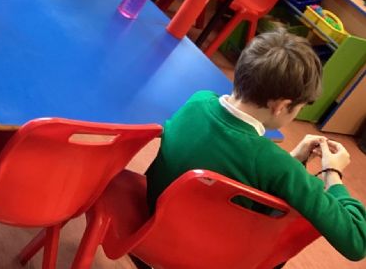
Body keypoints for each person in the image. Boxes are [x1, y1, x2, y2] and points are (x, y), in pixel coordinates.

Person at [146, 30, 366, 262]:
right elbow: (357, 241)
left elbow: (245, 170)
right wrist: (333, 173)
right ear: (281, 106)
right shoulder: (276, 164)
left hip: (151, 224)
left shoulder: (198, 100)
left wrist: (293, 160)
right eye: (299, 108)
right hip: (204, 255)